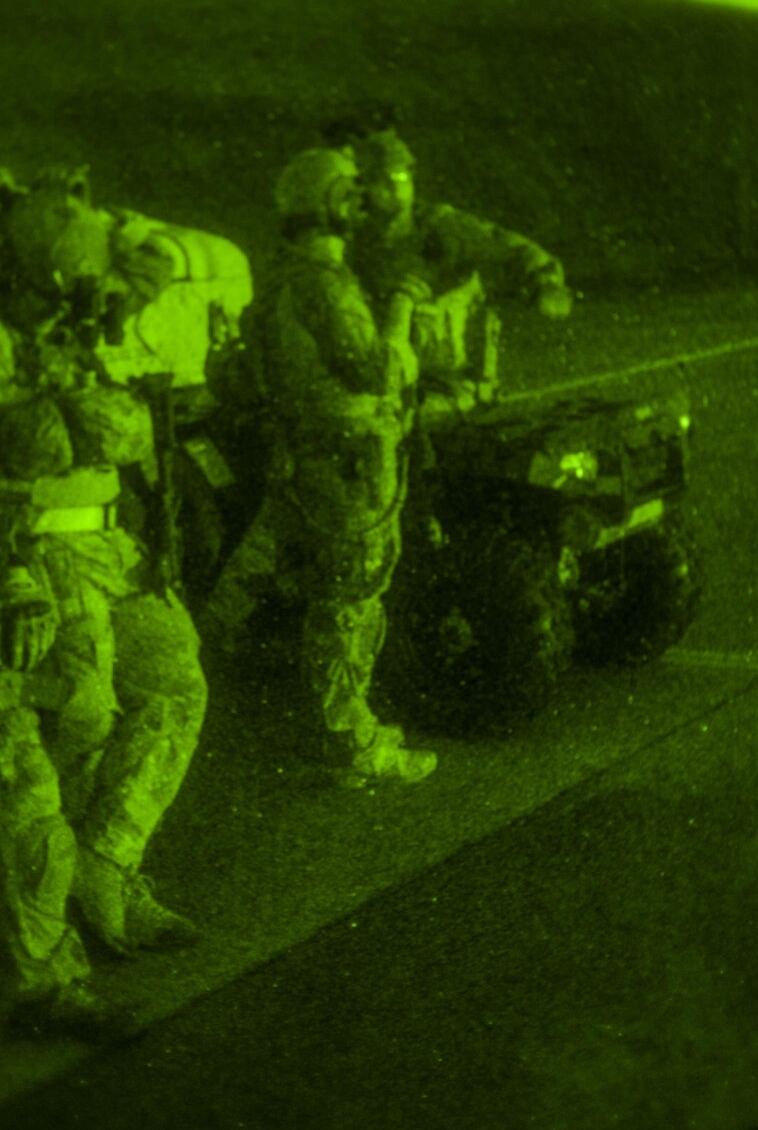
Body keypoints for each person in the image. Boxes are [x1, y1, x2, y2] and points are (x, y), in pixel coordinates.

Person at [0, 167, 209, 1011]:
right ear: (36, 270)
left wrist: (110, 221)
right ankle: (42, 921)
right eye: (76, 270)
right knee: (79, 719)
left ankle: (108, 864)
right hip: (34, 548)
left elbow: (154, 262)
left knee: (175, 683)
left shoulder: (79, 315)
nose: (96, 290)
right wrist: (8, 568)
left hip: (108, 541)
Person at [201, 146, 438, 788]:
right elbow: (376, 370)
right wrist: (402, 310)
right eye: (352, 194)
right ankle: (350, 742)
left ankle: (340, 725)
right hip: (350, 469)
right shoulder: (325, 284)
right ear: (334, 204)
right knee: (349, 600)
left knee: (328, 596)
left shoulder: (279, 280)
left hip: (310, 462)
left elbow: (242, 381)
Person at [339, 120, 576, 321]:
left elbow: (508, 246)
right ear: (364, 187)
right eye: (380, 179)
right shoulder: (352, 240)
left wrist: (546, 282)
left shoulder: (440, 226)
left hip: (446, 354)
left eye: (401, 175)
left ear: (412, 178)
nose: (394, 186)